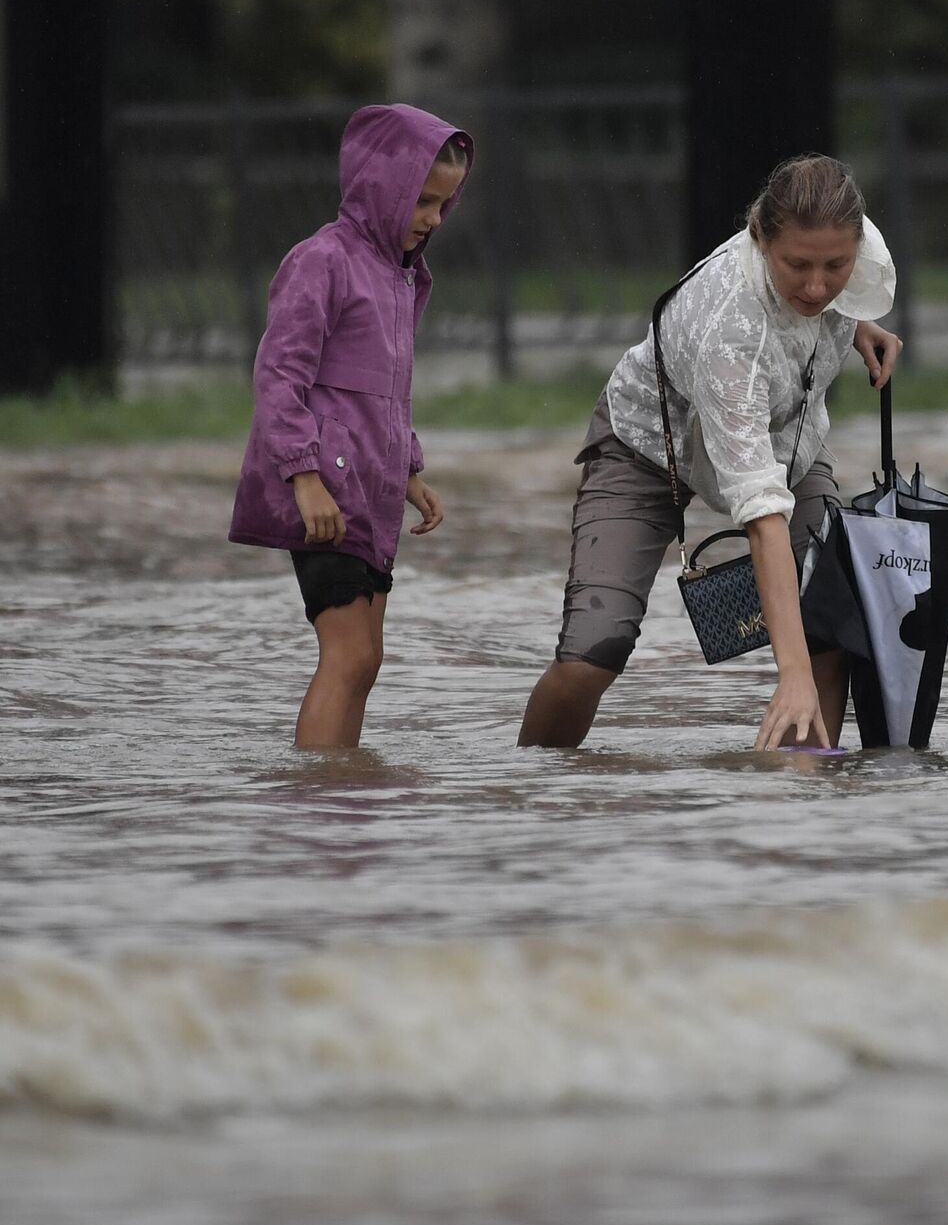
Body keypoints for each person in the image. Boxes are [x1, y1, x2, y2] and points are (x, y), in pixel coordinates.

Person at [517, 153, 902, 752]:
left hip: (785, 440)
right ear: (759, 237)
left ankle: (804, 808)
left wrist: (855, 326)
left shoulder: (848, 245)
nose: (819, 286)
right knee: (595, 652)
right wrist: (788, 676)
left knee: (831, 633)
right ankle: (530, 788)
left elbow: (829, 290)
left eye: (837, 267)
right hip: (647, 450)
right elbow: (762, 519)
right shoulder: (728, 326)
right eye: (797, 266)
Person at [228, 103, 473, 749]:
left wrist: (409, 469)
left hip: (372, 495)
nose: (432, 219)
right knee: (347, 655)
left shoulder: (404, 277)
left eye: (444, 206)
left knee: (367, 660)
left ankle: (346, 790)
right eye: (422, 201)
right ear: (380, 185)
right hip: (322, 493)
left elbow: (384, 393)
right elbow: (280, 377)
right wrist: (304, 477)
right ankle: (317, 791)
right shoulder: (322, 261)